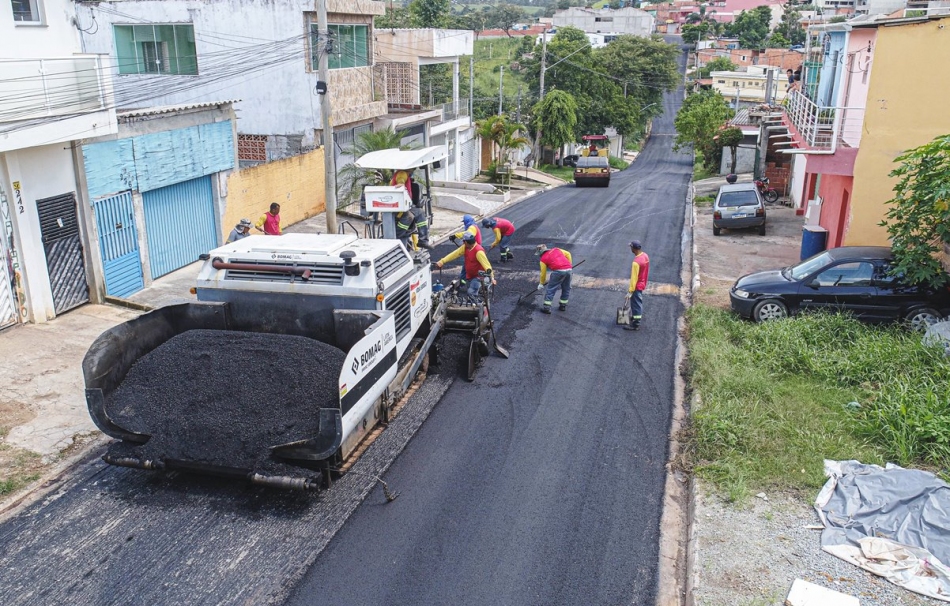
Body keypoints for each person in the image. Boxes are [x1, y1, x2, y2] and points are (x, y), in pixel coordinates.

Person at [435, 232, 494, 299]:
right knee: (465, 284)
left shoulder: (478, 252)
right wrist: (442, 261)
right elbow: (455, 254)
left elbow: (487, 266)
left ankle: (476, 306)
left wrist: (492, 278)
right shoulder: (465, 247)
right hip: (470, 275)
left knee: (471, 292)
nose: (463, 243)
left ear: (466, 242)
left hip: (479, 277)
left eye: (463, 241)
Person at [535, 243, 573, 314]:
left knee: (551, 289)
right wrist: (569, 265)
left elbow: (543, 273)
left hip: (558, 272)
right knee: (566, 288)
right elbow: (568, 254)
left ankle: (547, 307)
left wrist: (541, 283)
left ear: (540, 253)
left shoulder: (543, 259)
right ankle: (563, 305)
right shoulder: (556, 249)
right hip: (569, 270)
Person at [624, 240, 650, 331]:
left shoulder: (636, 262)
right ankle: (635, 317)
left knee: (636, 304)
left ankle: (636, 324)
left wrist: (630, 291)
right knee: (636, 303)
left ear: (634, 248)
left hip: (637, 286)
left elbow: (634, 278)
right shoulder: (645, 256)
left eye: (631, 247)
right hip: (642, 282)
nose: (630, 248)